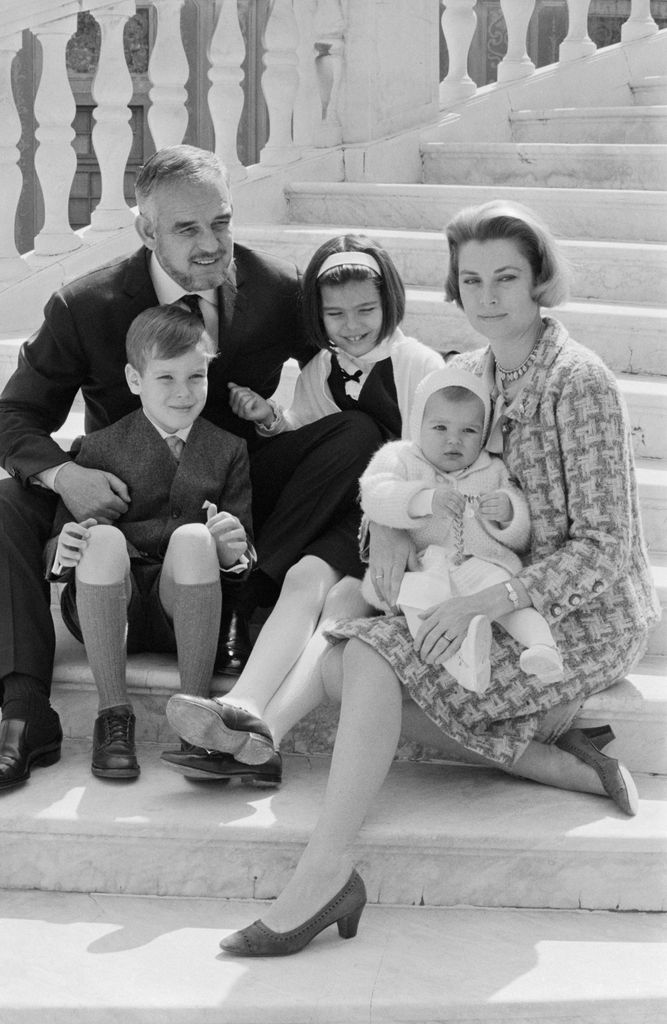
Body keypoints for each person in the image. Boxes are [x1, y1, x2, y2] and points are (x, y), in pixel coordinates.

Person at [209, 200, 659, 957]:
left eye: (506, 277)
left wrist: (492, 600)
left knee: (365, 657)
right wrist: (385, 523)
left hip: (578, 617)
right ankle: (541, 757)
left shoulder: (577, 384)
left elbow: (607, 549)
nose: (487, 296)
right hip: (469, 591)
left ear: (539, 280)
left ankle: (323, 872)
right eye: (471, 279)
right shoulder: (469, 374)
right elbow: (403, 471)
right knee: (339, 659)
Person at [0, 144, 380, 793]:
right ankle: (25, 716)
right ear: (146, 231)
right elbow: (14, 417)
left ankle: (249, 598)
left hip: (232, 490)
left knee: (358, 435)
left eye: (221, 221)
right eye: (187, 229)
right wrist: (66, 478)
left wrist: (443, 392)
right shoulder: (88, 305)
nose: (211, 242)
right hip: (123, 498)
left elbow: (359, 354)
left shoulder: (276, 291)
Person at [160, 234, 444, 785]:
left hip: (396, 524)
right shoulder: (322, 368)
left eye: (366, 309)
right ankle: (243, 706)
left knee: (342, 599)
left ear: (391, 303)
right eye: (335, 314)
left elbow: (433, 461)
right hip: (344, 515)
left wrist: (399, 530)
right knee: (303, 578)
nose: (352, 325)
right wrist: (270, 418)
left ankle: (263, 730)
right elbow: (306, 433)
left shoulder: (417, 364)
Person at [44, 305, 252, 779]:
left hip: (188, 608)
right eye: (166, 378)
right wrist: (67, 546)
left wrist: (232, 551)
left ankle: (196, 715)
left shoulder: (229, 449)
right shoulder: (99, 447)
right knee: (101, 537)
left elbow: (243, 542)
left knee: (197, 536)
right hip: (110, 605)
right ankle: (113, 714)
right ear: (135, 380)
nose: (184, 393)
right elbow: (58, 537)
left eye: (196, 377)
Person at [359, 364, 564, 694]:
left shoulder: (492, 469)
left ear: (483, 435)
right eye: (440, 427)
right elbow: (374, 494)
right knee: (418, 600)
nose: (453, 440)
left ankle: (542, 648)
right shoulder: (400, 458)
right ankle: (465, 661)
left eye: (469, 431)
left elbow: (522, 535)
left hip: (480, 565)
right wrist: (424, 500)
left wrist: (507, 512)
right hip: (425, 566)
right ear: (417, 424)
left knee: (507, 592)